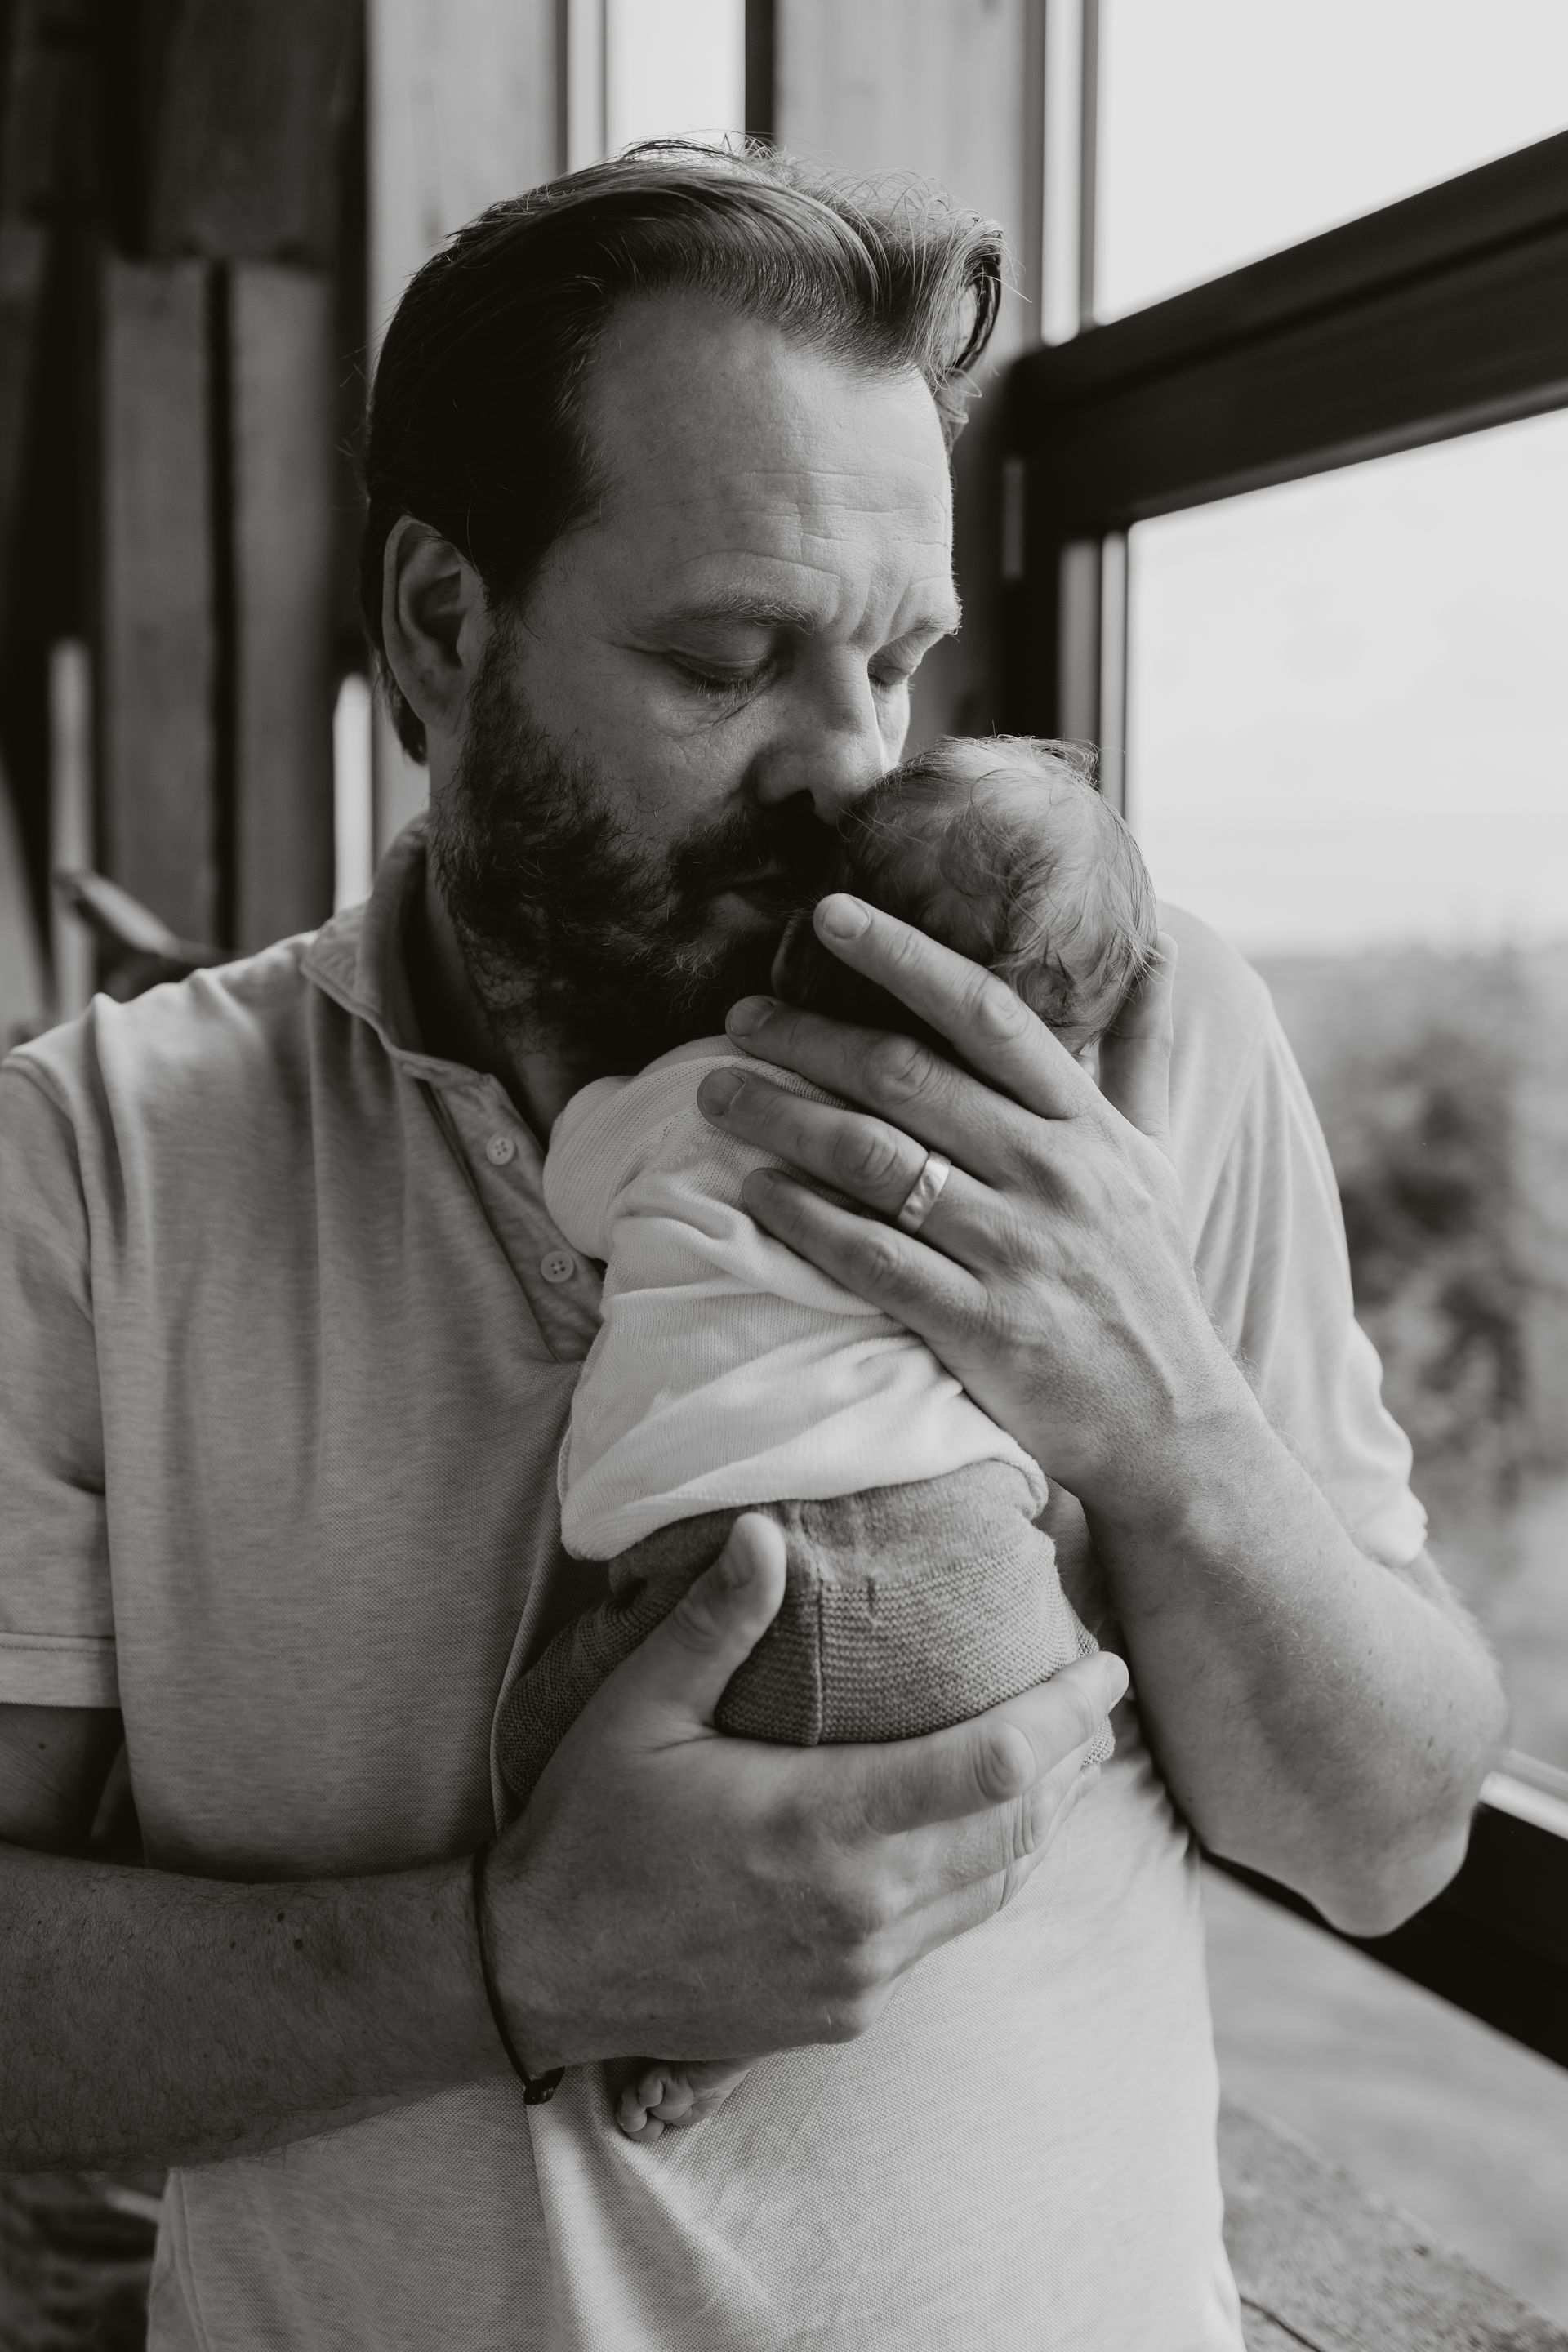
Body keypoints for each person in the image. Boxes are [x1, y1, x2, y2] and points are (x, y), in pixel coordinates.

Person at [0, 145, 1504, 2352]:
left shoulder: (1142, 1033)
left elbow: (1388, 1838)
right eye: (730, 657)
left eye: (896, 660)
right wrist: (523, 1956)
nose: (851, 760)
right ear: (439, 625)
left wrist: (1163, 1414)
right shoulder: (93, 1165)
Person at [501, 736, 1148, 2140]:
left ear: (803, 949)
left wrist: (597, 1086)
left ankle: (672, 2017)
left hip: (721, 1583)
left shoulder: (706, 1091)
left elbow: (577, 1187)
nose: (852, 744)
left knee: (537, 1778)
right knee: (969, 1801)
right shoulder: (1040, 1168)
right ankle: (732, 2047)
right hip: (982, 1608)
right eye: (723, 662)